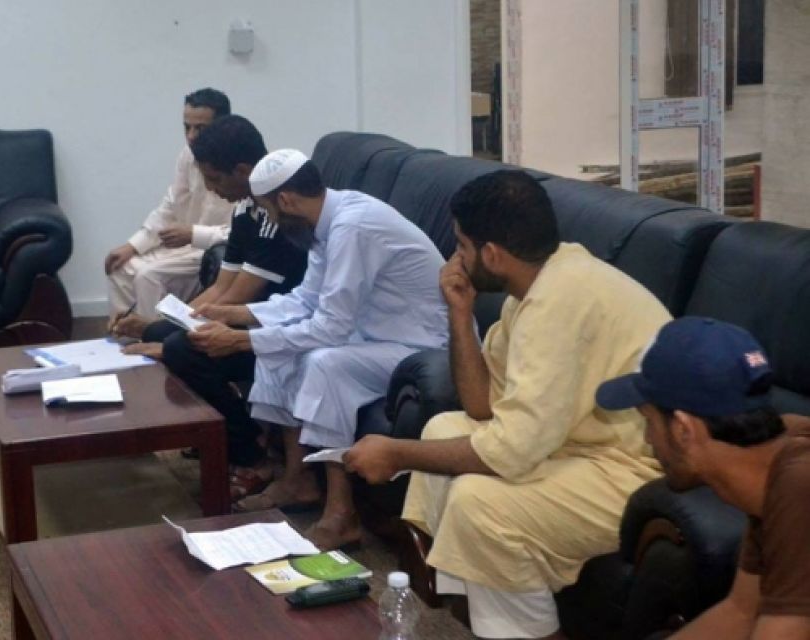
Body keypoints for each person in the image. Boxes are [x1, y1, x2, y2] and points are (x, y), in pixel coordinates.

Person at [343, 170, 671, 640]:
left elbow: (511, 450)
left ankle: (527, 630)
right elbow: (481, 406)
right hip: (576, 446)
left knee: (481, 506)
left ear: (492, 254)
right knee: (442, 428)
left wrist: (396, 453)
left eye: (462, 245)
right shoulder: (538, 284)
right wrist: (460, 313)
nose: (456, 257)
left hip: (633, 471)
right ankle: (474, 600)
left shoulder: (558, 301)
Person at [186, 149, 449, 550]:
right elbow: (307, 300)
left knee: (325, 363)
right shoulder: (325, 222)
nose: (271, 222)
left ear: (285, 200)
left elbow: (331, 326)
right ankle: (298, 480)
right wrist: (235, 314)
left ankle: (342, 515)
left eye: (268, 211)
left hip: (422, 346)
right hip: (375, 335)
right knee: (282, 345)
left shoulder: (352, 226)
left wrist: (240, 340)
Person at [123, 116, 308, 493]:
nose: (210, 188)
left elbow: (241, 296)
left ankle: (249, 451)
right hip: (247, 317)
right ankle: (213, 430)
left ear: (242, 171)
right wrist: (168, 320)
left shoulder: (274, 214)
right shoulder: (244, 209)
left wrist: (177, 335)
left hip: (275, 329)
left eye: (215, 179)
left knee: (179, 349)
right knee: (161, 332)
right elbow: (222, 287)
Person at [596, 317, 810, 639]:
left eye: (649, 422)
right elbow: (740, 611)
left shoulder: (798, 485)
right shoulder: (769, 468)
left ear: (684, 429)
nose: (649, 439)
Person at [105, 87, 233, 324]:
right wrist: (134, 245)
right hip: (181, 248)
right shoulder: (187, 155)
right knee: (121, 267)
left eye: (200, 128)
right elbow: (169, 206)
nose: (191, 136)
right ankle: (122, 337)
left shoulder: (238, 163)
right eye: (187, 127)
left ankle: (150, 339)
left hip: (212, 252)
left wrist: (194, 234)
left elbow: (239, 234)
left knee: (148, 276)